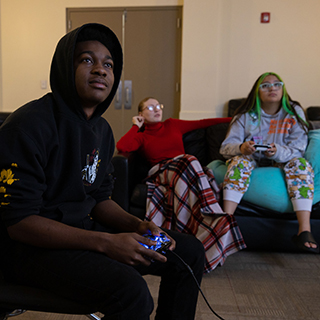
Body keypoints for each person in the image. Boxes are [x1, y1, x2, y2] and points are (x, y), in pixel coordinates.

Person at [0, 23, 207, 320]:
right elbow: (20, 223)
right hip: (29, 250)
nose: (100, 70)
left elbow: (98, 199)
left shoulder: (101, 130)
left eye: (108, 64)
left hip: (80, 231)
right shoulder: (29, 125)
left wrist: (137, 225)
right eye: (87, 60)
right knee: (131, 292)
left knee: (188, 251)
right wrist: (107, 243)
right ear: (64, 68)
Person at [116, 97, 246, 273]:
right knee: (189, 160)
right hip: (161, 172)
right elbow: (123, 147)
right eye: (150, 107)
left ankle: (205, 228)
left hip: (185, 172)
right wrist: (135, 126)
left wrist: (237, 120)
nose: (156, 109)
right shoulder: (141, 136)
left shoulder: (172, 125)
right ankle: (211, 212)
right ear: (141, 114)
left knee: (197, 167)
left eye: (158, 106)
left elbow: (203, 123)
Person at [220, 72, 318, 253]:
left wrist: (277, 151)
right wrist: (242, 148)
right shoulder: (244, 115)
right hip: (252, 160)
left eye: (277, 84)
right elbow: (226, 147)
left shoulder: (293, 111)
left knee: (301, 165)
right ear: (257, 92)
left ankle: (304, 230)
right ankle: (225, 225)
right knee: (239, 163)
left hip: (283, 160)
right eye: (265, 85)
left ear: (283, 89)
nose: (272, 88)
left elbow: (299, 149)